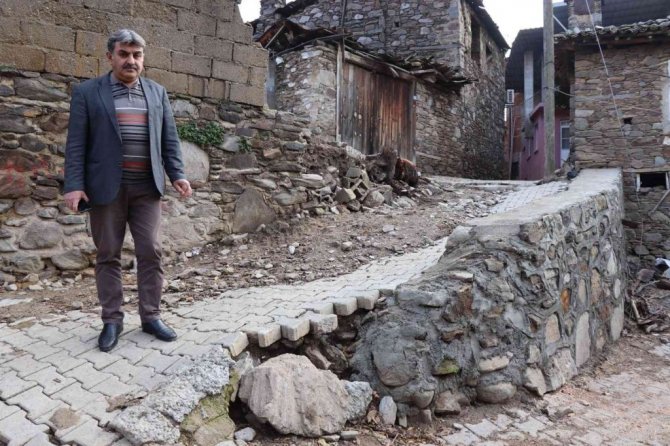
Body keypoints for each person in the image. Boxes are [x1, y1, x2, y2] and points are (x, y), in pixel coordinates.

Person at [63, 29, 192, 352]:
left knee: (151, 251)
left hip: (147, 187)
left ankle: (151, 316)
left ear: (143, 58)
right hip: (106, 189)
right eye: (124, 54)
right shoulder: (88, 93)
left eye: (137, 55)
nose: (130, 61)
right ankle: (112, 320)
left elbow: (169, 139)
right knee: (108, 254)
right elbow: (76, 144)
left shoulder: (157, 93)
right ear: (111, 57)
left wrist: (177, 174)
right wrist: (75, 186)